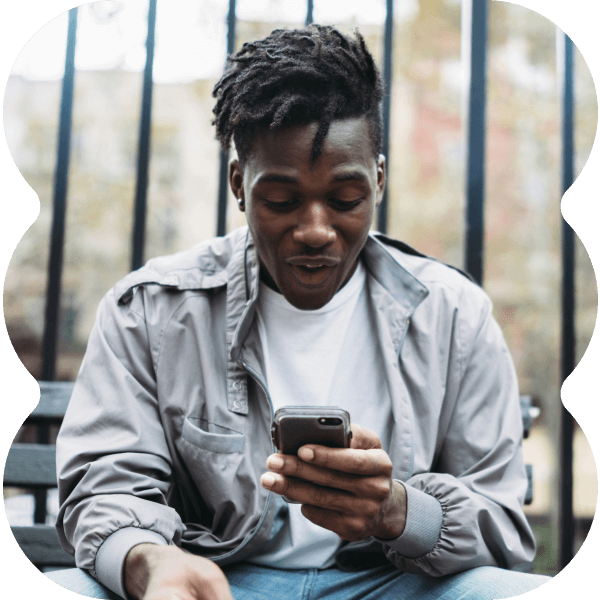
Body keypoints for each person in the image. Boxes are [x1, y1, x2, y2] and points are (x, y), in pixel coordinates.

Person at [47, 25, 552, 599]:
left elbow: (503, 526)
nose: (315, 230)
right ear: (239, 184)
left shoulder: (454, 314)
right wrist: (148, 562)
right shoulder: (151, 309)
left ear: (379, 181)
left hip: (388, 585)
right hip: (218, 581)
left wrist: (398, 512)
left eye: (345, 199)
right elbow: (106, 487)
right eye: (281, 201)